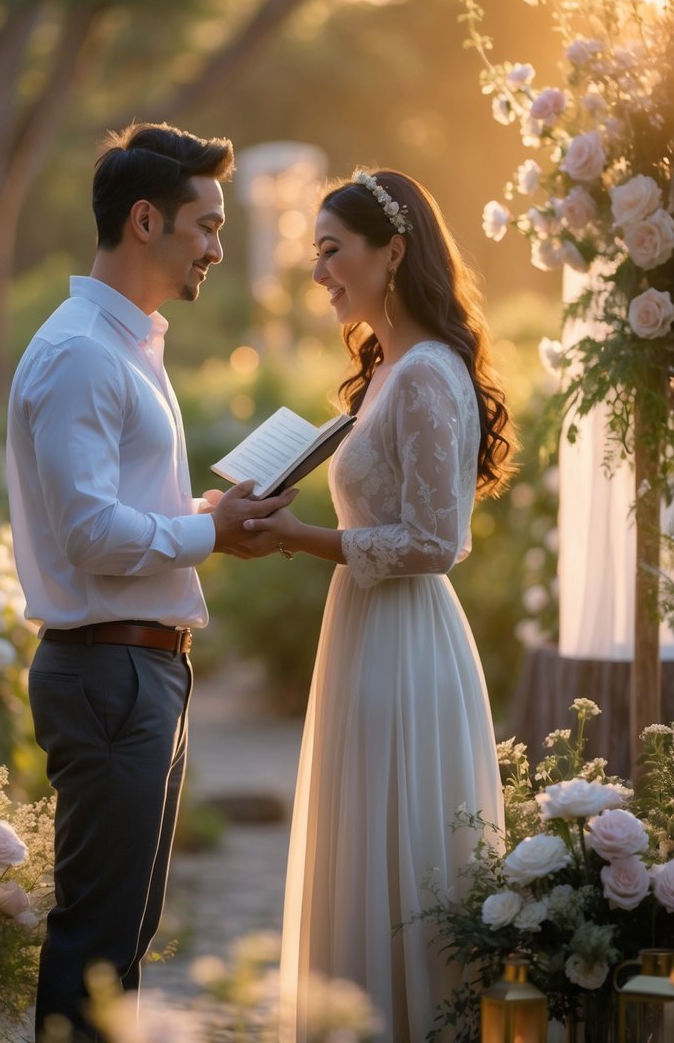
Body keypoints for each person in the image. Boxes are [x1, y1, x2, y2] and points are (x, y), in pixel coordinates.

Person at [6, 121, 294, 1042]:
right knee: (96, 939)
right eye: (204, 225)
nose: (216, 246)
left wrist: (203, 511)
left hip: (137, 669)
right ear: (144, 221)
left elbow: (112, 506)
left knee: (123, 937)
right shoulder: (83, 352)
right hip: (106, 673)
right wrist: (207, 529)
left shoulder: (124, 346)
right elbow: (89, 534)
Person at [242, 168, 516, 1042]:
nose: (318, 271)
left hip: (405, 640)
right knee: (362, 846)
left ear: (392, 251)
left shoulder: (429, 373)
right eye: (314, 252)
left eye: (332, 251)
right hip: (362, 631)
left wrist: (298, 538)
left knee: (402, 852)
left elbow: (437, 542)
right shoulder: (390, 371)